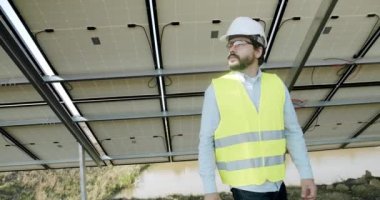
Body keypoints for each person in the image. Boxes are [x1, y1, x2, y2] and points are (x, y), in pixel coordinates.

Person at [198, 16, 317, 200]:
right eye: (230, 44)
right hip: (245, 189)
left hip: (278, 185)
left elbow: (293, 132)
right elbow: (206, 141)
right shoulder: (216, 89)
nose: (232, 48)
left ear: (258, 51)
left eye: (239, 43)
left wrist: (306, 174)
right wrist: (209, 190)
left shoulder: (276, 84)